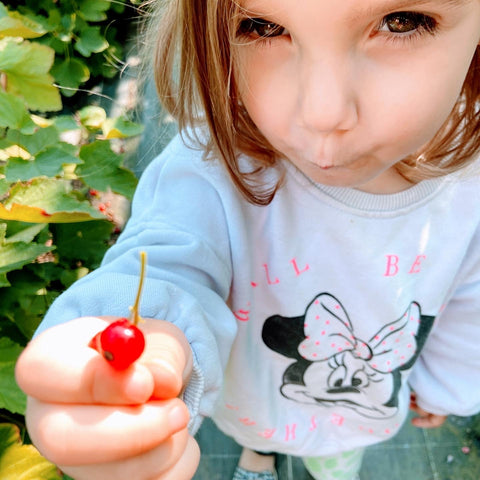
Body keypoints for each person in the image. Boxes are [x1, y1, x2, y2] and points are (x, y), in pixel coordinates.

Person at [15, 0, 480, 479]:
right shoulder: (210, 169)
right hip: (254, 404)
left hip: (355, 416)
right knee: (256, 434)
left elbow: (471, 298)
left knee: (336, 461)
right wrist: (141, 350)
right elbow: (171, 263)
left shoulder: (472, 190)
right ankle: (259, 453)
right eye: (262, 27)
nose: (323, 114)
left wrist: (448, 384)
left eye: (401, 22)